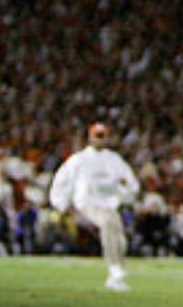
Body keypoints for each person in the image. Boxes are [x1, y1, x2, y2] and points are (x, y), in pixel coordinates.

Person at [49, 122, 140, 291]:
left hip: (109, 205)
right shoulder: (79, 160)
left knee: (117, 231)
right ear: (90, 138)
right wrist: (61, 205)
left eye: (102, 136)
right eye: (97, 136)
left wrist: (125, 194)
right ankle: (115, 270)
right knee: (108, 222)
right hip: (86, 203)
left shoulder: (114, 160)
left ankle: (118, 269)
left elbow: (131, 184)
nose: (100, 140)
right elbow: (62, 181)